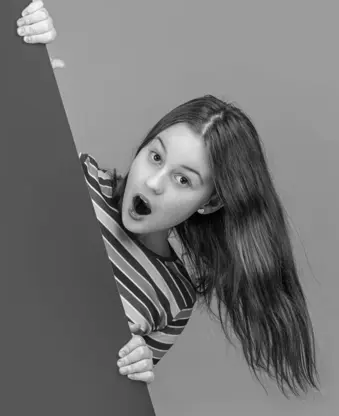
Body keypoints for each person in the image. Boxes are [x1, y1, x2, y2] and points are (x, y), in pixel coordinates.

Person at [16, 0, 319, 396]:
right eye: (156, 156)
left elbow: (96, 387)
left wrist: (133, 366)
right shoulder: (79, 180)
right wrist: (23, 65)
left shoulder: (175, 298)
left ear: (209, 203)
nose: (155, 182)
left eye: (183, 179)